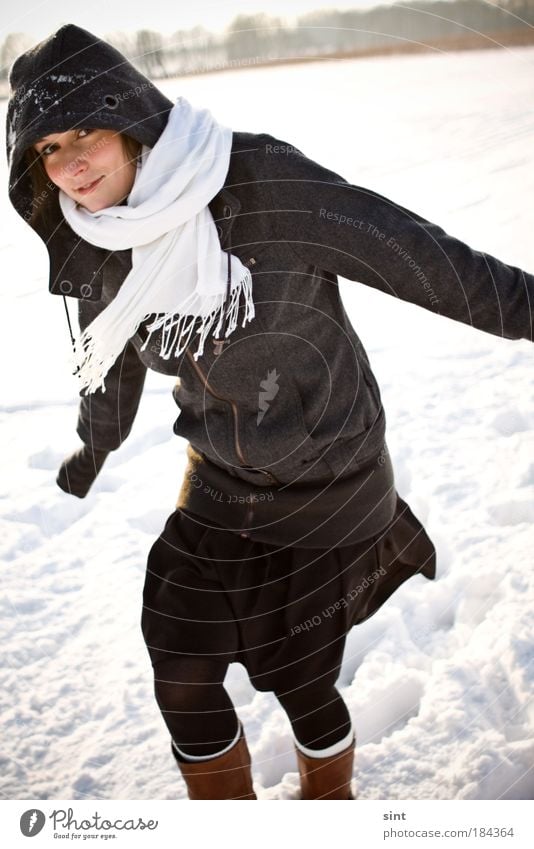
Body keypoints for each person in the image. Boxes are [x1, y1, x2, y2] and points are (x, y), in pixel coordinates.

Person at [6, 24, 533, 801]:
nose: (71, 163)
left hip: (330, 481)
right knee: (179, 663)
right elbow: (109, 368)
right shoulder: (94, 242)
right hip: (218, 478)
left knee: (302, 679)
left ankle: (328, 803)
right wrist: (92, 450)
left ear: (134, 119)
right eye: (49, 147)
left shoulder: (259, 179)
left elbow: (428, 261)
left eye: (86, 129)